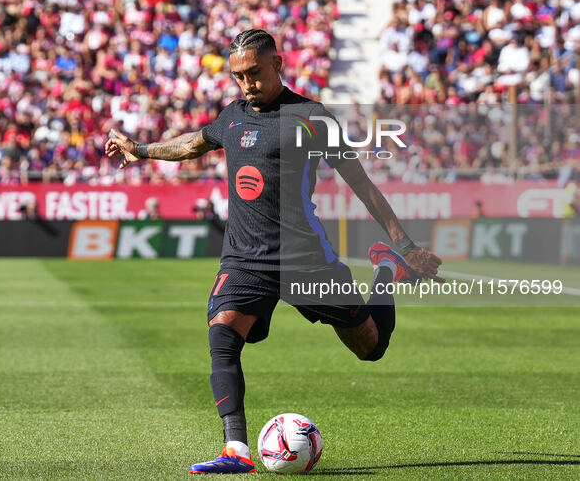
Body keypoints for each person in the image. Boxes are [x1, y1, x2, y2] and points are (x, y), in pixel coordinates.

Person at [106, 30, 443, 474]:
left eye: (254, 72)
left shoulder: (311, 117)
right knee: (222, 333)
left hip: (306, 259)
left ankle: (387, 269)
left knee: (370, 348)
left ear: (277, 64)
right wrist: (142, 151)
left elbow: (361, 184)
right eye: (239, 76)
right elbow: (191, 143)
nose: (247, 83)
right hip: (245, 259)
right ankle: (236, 450)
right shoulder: (233, 116)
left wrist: (405, 244)